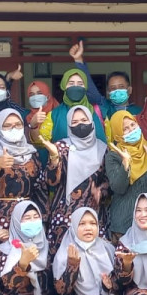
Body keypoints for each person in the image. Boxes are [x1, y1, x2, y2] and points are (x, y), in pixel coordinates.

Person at [46, 106, 110, 259]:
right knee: (65, 261)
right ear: (68, 125)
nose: (80, 124)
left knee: (95, 262)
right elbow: (51, 182)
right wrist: (54, 159)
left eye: (84, 120)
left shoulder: (103, 149)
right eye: (74, 122)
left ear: (91, 122)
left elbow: (108, 182)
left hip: (94, 217)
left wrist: (101, 192)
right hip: (65, 216)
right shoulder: (61, 147)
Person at [0, 109, 49, 232]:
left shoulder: (31, 153)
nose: (13, 129)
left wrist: (43, 219)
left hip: (27, 218)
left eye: (18, 125)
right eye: (7, 126)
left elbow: (40, 187)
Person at [105, 111, 147, 240]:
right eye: (125, 129)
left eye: (133, 125)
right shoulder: (113, 156)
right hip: (124, 222)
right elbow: (118, 187)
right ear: (118, 134)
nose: (131, 130)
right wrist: (125, 163)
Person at [49, 66, 108, 142]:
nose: (76, 86)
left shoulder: (98, 111)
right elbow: (42, 142)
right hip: (63, 153)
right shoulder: (54, 114)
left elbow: (108, 141)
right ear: (64, 86)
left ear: (85, 87)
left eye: (80, 84)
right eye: (71, 83)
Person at [25, 80, 58, 160]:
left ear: (48, 96)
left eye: (39, 93)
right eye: (32, 94)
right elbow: (37, 144)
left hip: (57, 159)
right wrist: (33, 125)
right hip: (36, 162)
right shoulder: (27, 117)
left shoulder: (57, 113)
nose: (35, 97)